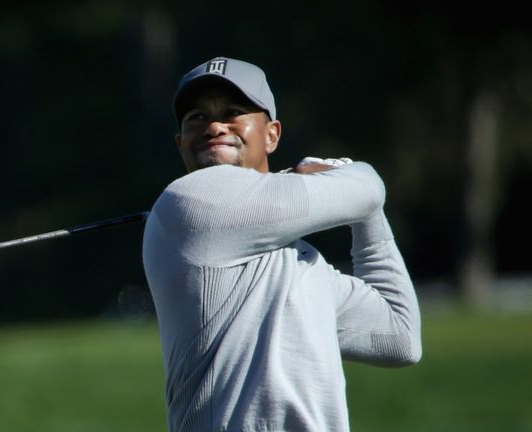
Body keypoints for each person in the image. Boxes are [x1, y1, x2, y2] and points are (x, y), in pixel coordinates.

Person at [142, 56, 422, 432]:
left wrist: (367, 214)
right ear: (181, 144)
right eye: (197, 117)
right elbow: (369, 185)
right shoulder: (190, 200)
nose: (213, 126)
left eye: (233, 111)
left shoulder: (304, 263)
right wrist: (346, 174)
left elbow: (400, 337)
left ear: (272, 135)